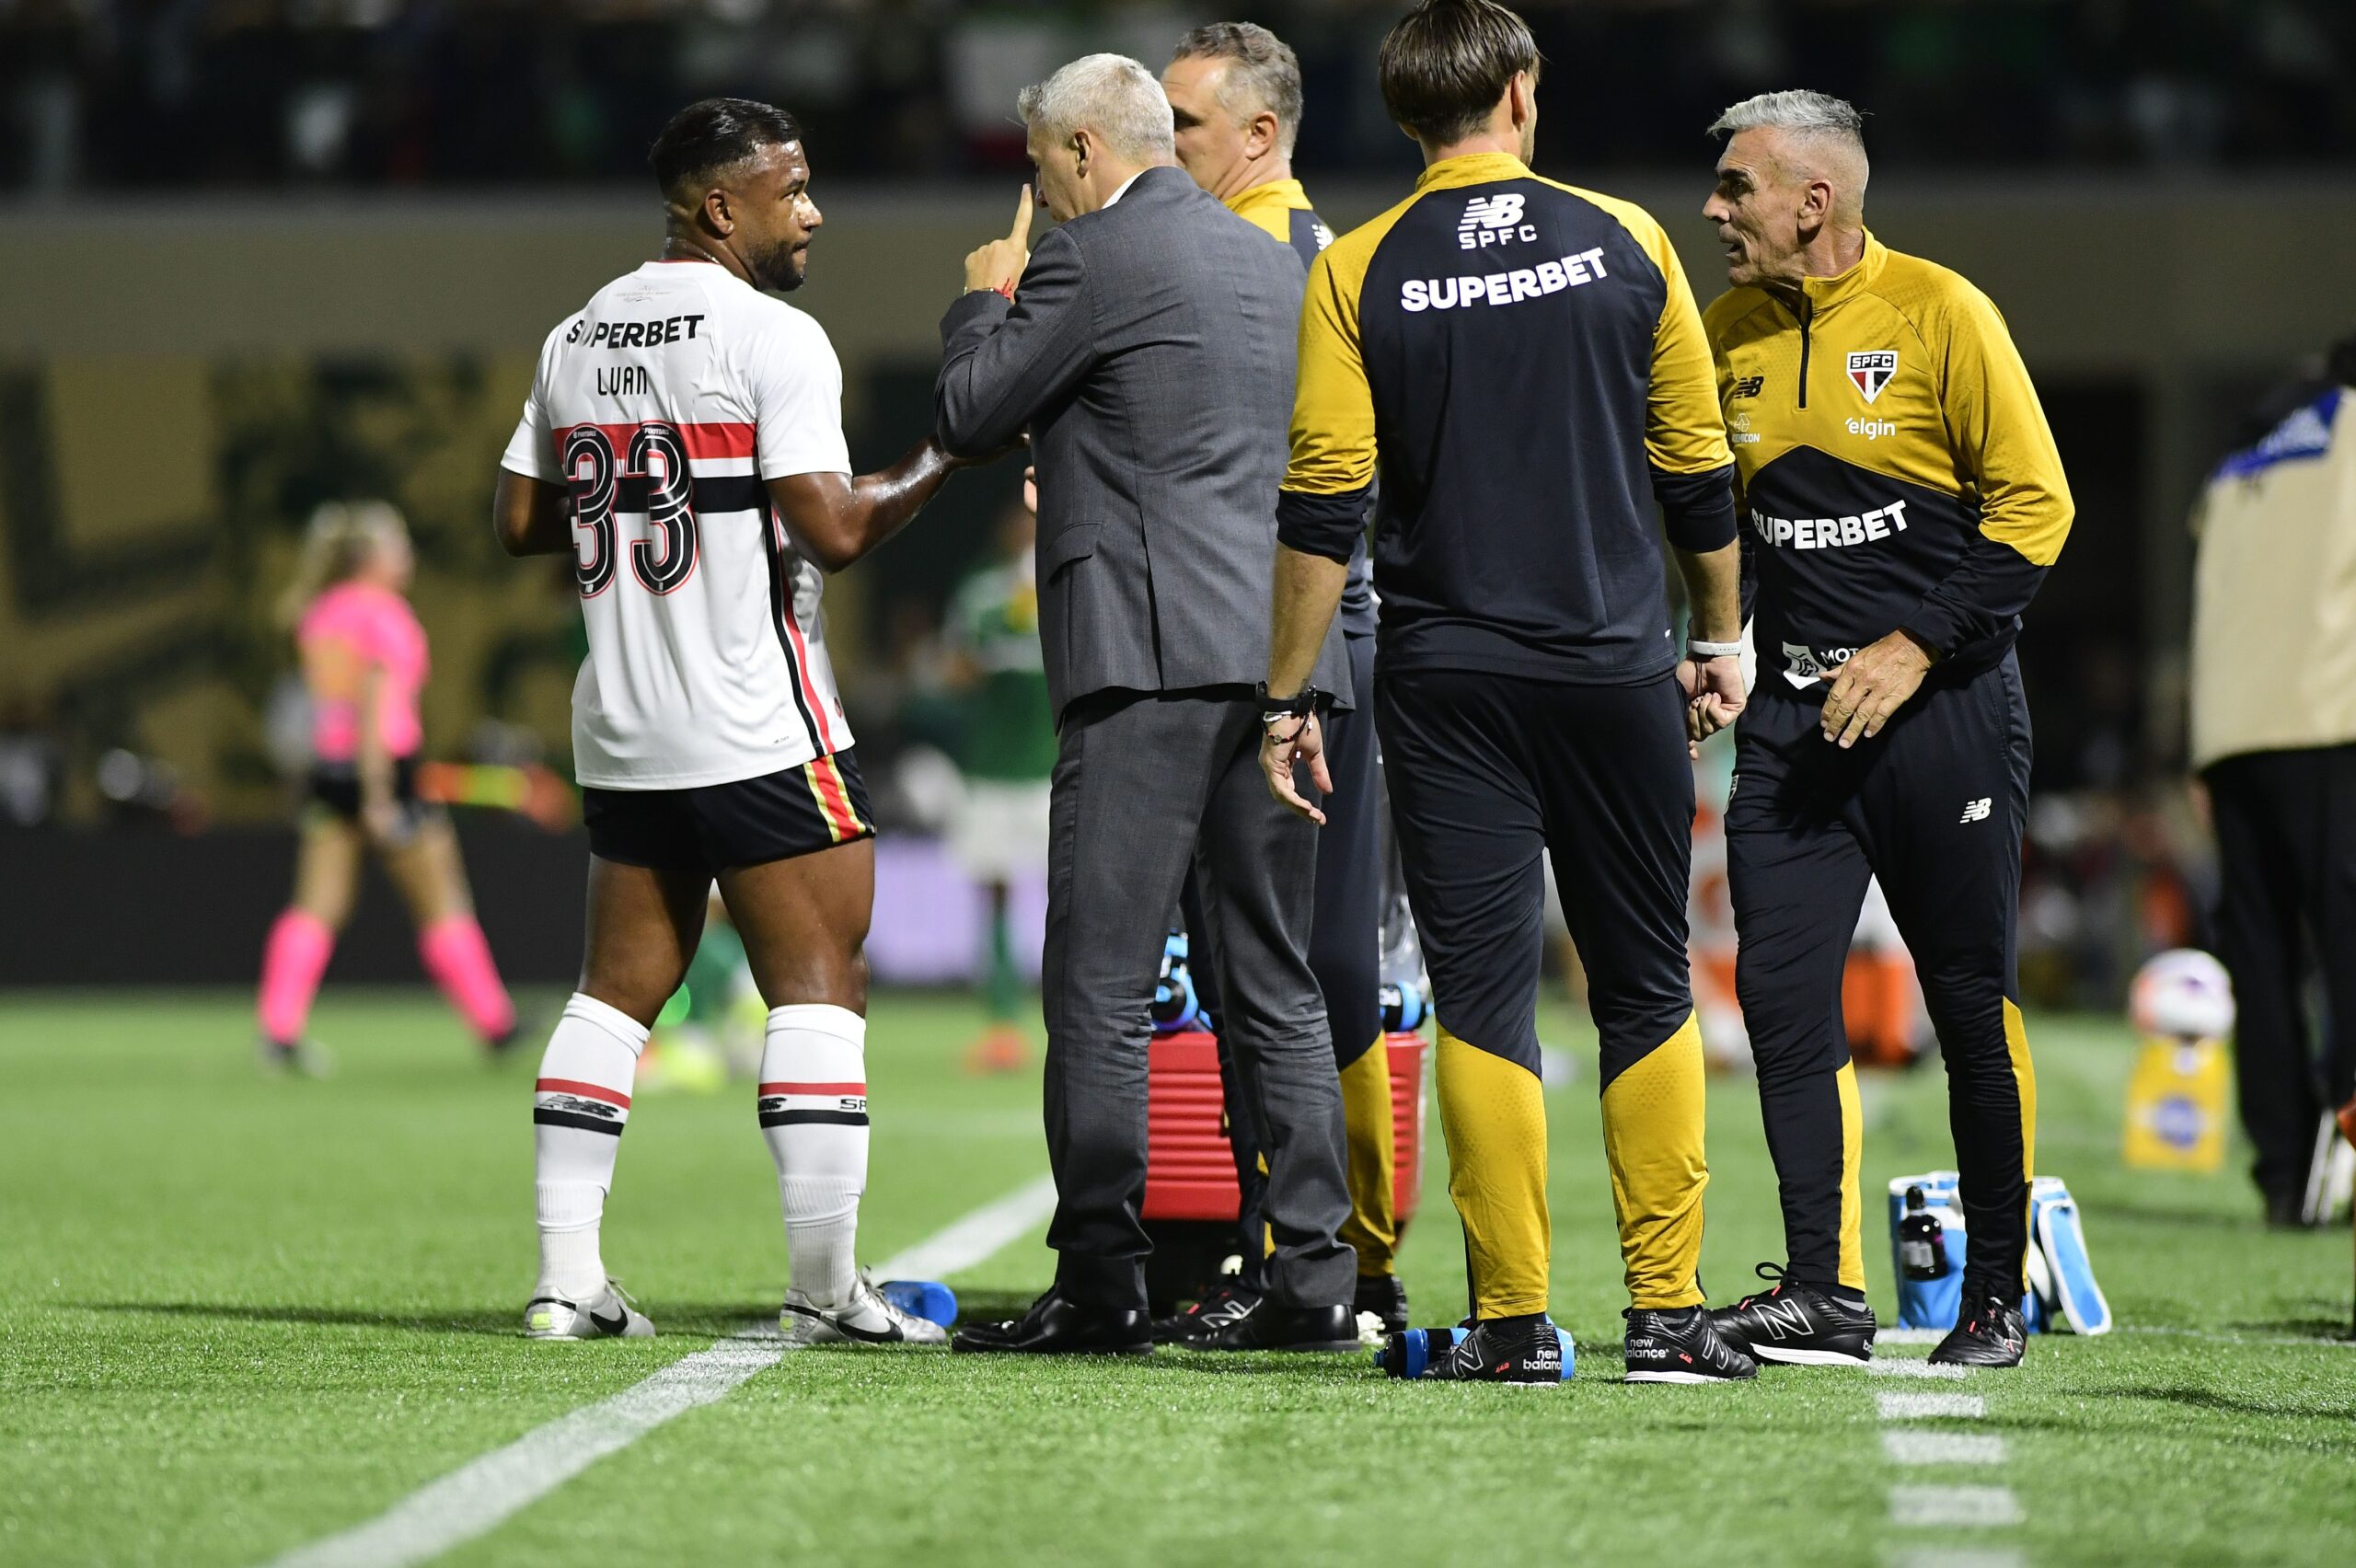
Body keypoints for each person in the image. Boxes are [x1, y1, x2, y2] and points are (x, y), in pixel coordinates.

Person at [1262, 0, 1755, 1386]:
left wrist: (1285, 697)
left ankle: (1511, 1324)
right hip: (1612, 663)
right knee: (1646, 981)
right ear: (1523, 94)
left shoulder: (1359, 269)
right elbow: (1698, 468)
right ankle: (1665, 1314)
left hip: (1446, 676)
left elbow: (1321, 507)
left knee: (1482, 995)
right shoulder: (1631, 240)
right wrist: (1718, 633)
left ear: (1406, 115)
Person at [491, 97, 999, 1343]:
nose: (814, 209)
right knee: (821, 987)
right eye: (794, 188)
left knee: (613, 996)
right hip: (759, 721)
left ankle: (565, 1281)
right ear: (722, 206)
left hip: (621, 723)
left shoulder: (577, 332)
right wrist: (952, 449)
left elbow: (514, 520)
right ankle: (827, 1287)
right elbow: (834, 526)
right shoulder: (773, 338)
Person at [937, 53, 1359, 1357]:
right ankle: (1317, 1279)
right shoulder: (1272, 263)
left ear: (1075, 152)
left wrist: (984, 303)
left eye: (1041, 172)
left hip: (1148, 664)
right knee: (1272, 981)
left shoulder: (1086, 259)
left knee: (1104, 981)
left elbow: (968, 409)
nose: (1043, 197)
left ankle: (1105, 1280)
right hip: (1282, 658)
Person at [1697, 90, 2072, 1368]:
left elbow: (2036, 512)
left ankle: (1992, 1303)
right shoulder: (1727, 332)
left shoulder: (1943, 313)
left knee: (1968, 1004)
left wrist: (1916, 648)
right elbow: (1723, 524)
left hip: (1948, 717)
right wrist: (1719, 646)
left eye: (1736, 187)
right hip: (1798, 730)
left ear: (1815, 201)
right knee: (1784, 1004)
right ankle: (1819, 1291)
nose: (1714, 208)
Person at [1158, 21, 1407, 1341]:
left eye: (1183, 127)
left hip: (1275, 645)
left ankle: (1299, 1259)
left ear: (1260, 137)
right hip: (1344, 633)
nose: (1160, 147)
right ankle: (1350, 1258)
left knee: (1265, 956)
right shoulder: (1345, 261)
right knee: (1323, 956)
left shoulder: (1241, 263)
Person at [257, 501, 518, 1074]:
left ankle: (278, 1032)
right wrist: (379, 794)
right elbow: (375, 704)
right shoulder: (386, 616)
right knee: (442, 902)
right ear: (368, 558)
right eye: (397, 545)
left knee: (315, 907)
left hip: (329, 775)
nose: (408, 556)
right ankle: (496, 1024)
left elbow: (329, 705)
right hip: (386, 773)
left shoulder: (319, 614)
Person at [2189, 333, 2356, 1227]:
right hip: (2332, 718)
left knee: (2262, 962)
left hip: (2231, 734)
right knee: (2345, 950)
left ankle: (2286, 1176)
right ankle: (2348, 1152)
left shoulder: (2239, 456)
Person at [942, 483, 1055, 1074]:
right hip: (988, 773)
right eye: (1020, 528)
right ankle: (1003, 1025)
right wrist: (998, 639)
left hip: (1050, 771)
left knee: (1067, 898)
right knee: (993, 900)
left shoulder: (1067, 588)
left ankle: (1069, 1021)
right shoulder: (982, 596)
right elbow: (953, 673)